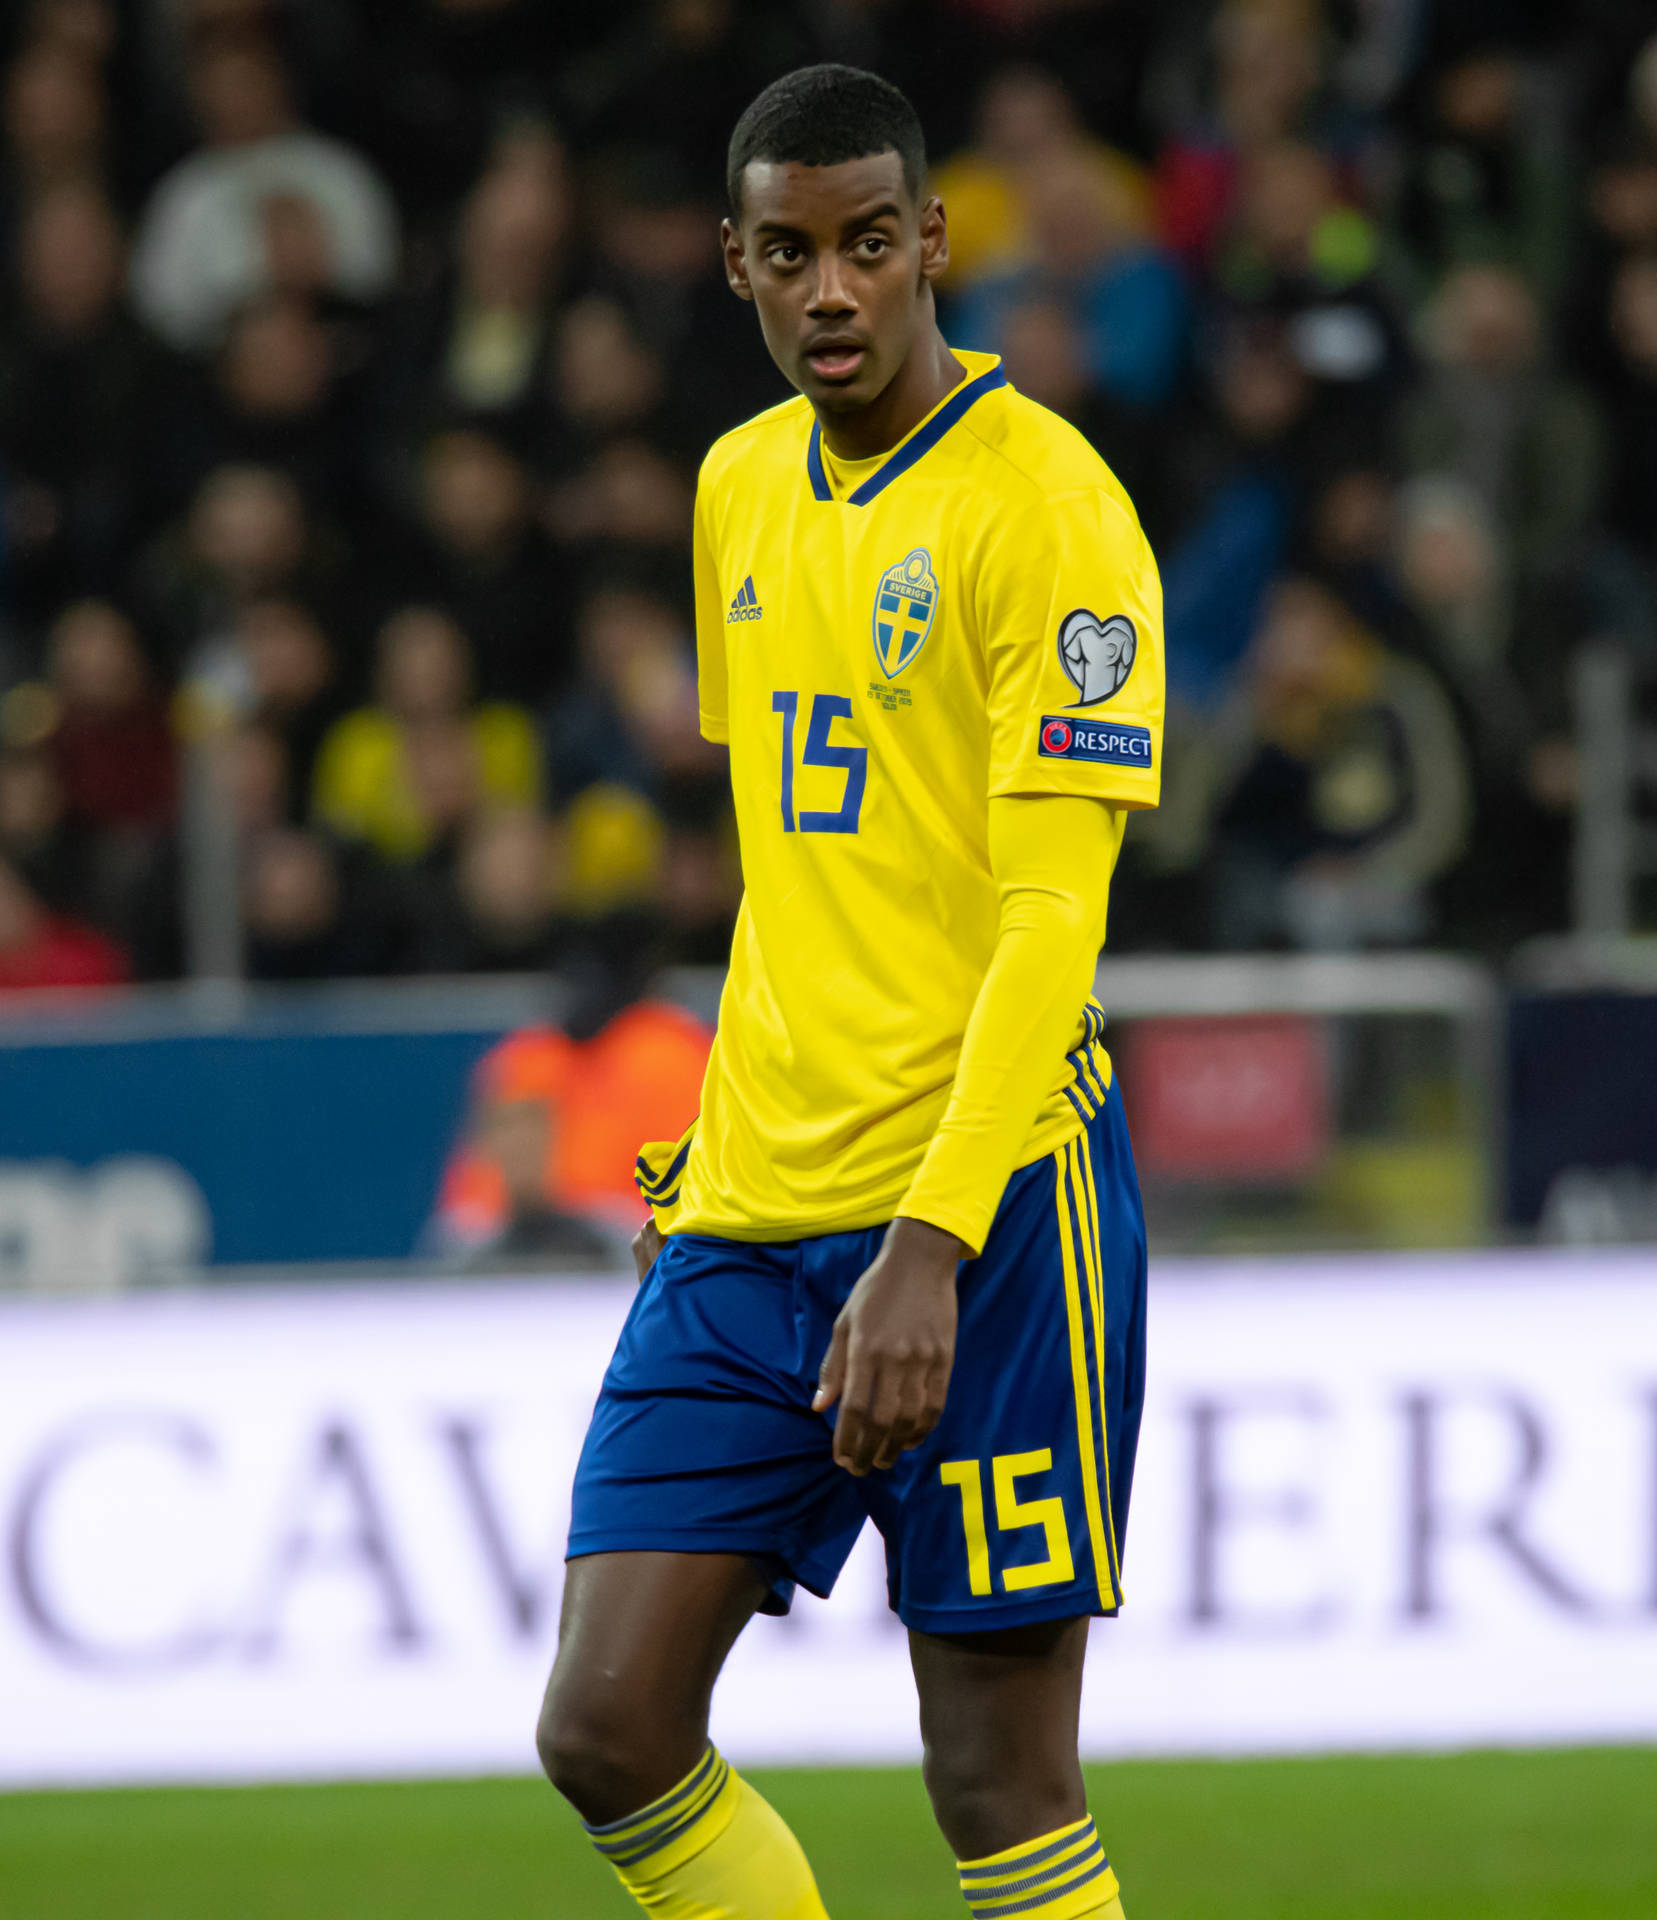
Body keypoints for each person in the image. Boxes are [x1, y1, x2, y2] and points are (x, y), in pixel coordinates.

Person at [537, 66, 1162, 1920]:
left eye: (868, 246)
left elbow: (1051, 923)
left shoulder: (1047, 508)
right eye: (792, 253)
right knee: (606, 1726)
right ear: (734, 264)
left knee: (992, 1776)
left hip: (985, 1216)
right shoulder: (738, 489)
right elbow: (802, 875)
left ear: (930, 246)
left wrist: (929, 1240)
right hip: (746, 1208)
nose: (833, 291)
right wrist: (722, 1162)